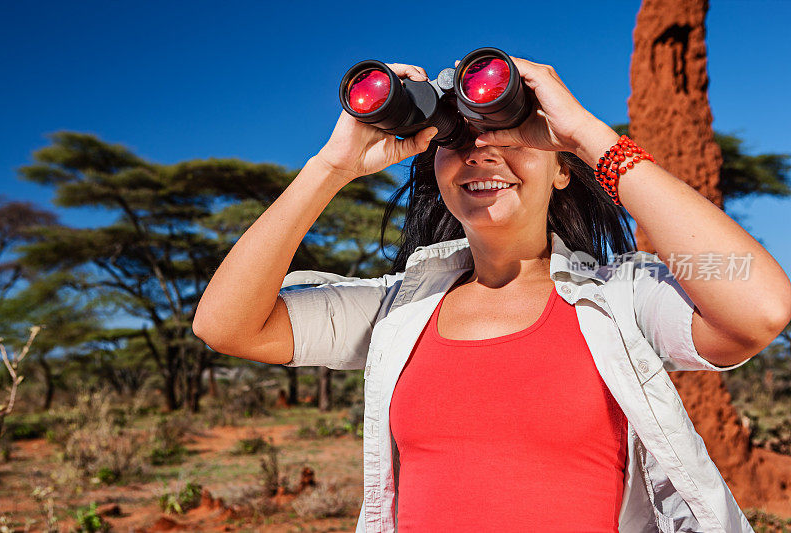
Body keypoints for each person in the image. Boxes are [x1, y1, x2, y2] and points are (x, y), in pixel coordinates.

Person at [193, 57, 790, 532]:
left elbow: (761, 308)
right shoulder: (397, 312)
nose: (482, 149)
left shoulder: (621, 299)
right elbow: (226, 325)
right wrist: (332, 165)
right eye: (459, 138)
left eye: (511, 131)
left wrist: (587, 136)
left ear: (562, 168)